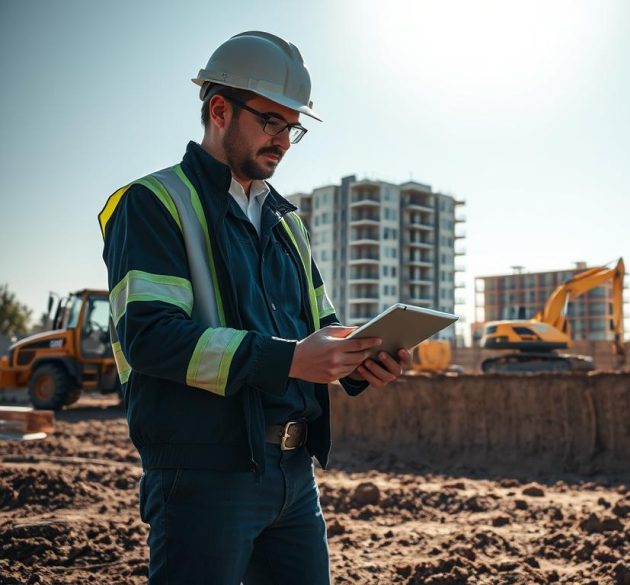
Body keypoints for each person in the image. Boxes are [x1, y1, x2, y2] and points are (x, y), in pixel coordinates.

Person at [98, 31, 412, 584]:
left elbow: (320, 328)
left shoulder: (286, 221)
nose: (284, 140)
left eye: (293, 127)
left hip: (294, 475)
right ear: (220, 109)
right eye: (271, 122)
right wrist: (290, 359)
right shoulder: (154, 203)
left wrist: (361, 357)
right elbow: (149, 336)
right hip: (203, 477)